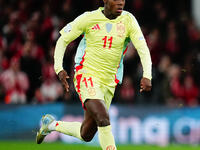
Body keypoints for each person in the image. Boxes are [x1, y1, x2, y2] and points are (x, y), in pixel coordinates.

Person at [36, 0, 152, 149]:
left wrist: (147, 74)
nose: (120, 3)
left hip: (110, 82)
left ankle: (51, 125)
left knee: (87, 134)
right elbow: (63, 40)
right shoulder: (89, 18)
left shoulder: (128, 20)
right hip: (86, 75)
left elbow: (143, 48)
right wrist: (59, 69)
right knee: (103, 118)